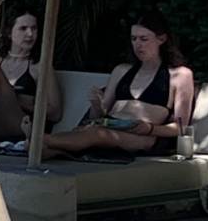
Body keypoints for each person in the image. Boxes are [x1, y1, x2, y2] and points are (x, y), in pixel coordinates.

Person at [42, 15, 196, 160]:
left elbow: (180, 128)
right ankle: (38, 143)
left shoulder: (180, 75)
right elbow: (98, 116)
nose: (138, 45)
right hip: (109, 126)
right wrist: (96, 104)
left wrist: (149, 129)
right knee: (52, 147)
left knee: (97, 134)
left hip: (142, 136)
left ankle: (39, 138)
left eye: (144, 39)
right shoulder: (122, 71)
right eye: (134, 39)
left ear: (161, 39)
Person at [0, 11, 43, 143]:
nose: (30, 34)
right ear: (9, 32)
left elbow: (56, 112)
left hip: (22, 125)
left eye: (34, 29)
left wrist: (23, 102)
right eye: (23, 28)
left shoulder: (39, 66)